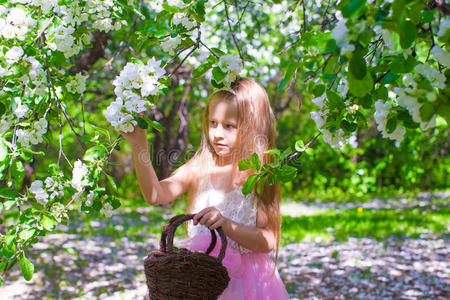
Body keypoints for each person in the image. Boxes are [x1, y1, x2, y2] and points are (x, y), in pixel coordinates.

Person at [121, 77, 290, 299]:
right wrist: (139, 145)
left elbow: (269, 240)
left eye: (229, 126)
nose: (217, 133)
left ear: (251, 127)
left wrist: (226, 225)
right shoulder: (199, 167)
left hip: (245, 284)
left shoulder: (259, 175)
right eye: (213, 123)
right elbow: (155, 195)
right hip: (196, 280)